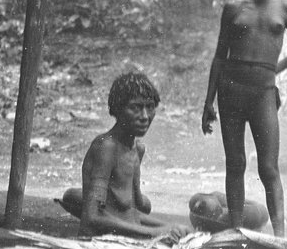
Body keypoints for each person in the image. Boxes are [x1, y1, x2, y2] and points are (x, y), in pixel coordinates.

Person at [201, 0, 287, 238]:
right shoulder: (233, 9)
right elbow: (219, 57)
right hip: (231, 91)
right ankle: (235, 230)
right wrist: (208, 102)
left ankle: (280, 235)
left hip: (263, 93)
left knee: (269, 167)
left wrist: (273, 72)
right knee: (235, 162)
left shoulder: (286, 9)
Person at [59, 72, 193, 239]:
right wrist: (154, 232)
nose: (144, 116)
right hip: (98, 244)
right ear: (118, 109)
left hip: (125, 241)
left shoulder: (137, 150)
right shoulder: (106, 147)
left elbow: (131, 213)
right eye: (135, 108)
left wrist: (169, 226)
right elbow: (92, 217)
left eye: (150, 107)